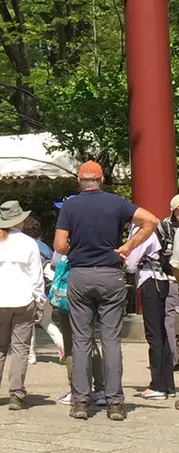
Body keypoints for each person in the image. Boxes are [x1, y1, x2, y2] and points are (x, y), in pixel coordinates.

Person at [54, 160, 158, 422]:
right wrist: (127, 246)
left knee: (81, 340)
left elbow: (59, 245)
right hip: (110, 274)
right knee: (111, 340)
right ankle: (115, 403)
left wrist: (76, 248)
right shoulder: (117, 203)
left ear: (80, 180)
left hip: (80, 275)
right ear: (101, 179)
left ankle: (80, 401)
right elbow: (151, 220)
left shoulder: (70, 205)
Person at [0, 200, 45, 411]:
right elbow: (37, 276)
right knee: (20, 348)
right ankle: (16, 393)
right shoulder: (29, 243)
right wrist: (40, 301)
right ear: (20, 221)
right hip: (23, 299)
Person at [53, 196, 106, 408]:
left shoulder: (66, 239)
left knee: (71, 342)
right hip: (94, 290)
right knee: (91, 341)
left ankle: (76, 389)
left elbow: (56, 259)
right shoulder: (98, 234)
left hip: (69, 295)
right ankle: (101, 389)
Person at [124, 223, 175, 399]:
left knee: (153, 334)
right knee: (164, 334)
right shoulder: (157, 228)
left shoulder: (140, 231)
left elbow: (130, 264)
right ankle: (167, 383)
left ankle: (157, 385)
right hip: (165, 281)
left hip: (150, 282)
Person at [22, 215, 64, 364]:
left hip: (33, 290)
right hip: (50, 288)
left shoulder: (27, 247)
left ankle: (30, 355)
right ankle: (62, 346)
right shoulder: (46, 247)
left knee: (28, 322)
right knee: (46, 321)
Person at [159, 193, 179, 369]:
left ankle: (174, 358)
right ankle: (174, 357)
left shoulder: (166, 227)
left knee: (170, 320)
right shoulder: (165, 227)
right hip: (172, 279)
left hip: (173, 278)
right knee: (171, 321)